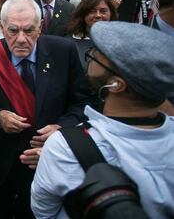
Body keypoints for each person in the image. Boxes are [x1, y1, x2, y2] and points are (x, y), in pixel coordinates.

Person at [31, 21, 174, 219]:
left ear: (116, 85)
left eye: (97, 57)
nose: (91, 58)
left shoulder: (64, 147)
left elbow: (43, 211)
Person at [0, 0, 90, 219]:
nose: (20, 39)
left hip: (48, 161)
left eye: (28, 31)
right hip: (1, 165)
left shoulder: (63, 51)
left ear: (40, 28)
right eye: (13, 30)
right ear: (2, 26)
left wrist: (61, 129)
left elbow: (83, 102)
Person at [67, 0, 118, 68]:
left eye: (103, 11)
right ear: (83, 14)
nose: (98, 15)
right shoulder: (68, 43)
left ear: (111, 14)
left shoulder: (118, 43)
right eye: (92, 11)